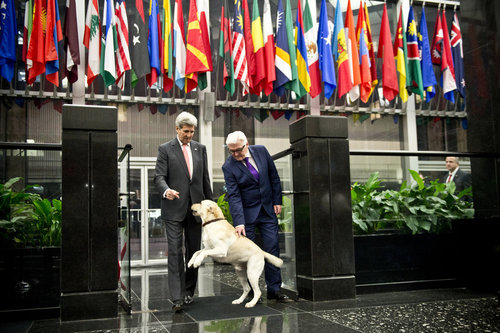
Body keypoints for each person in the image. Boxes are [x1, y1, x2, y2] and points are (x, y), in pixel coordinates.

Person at [222, 131, 291, 303]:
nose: (236, 154)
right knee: (248, 255)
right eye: (232, 151)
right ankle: (253, 292)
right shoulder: (228, 166)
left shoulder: (261, 151)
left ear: (247, 143)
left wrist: (277, 200)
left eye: (239, 150)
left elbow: (273, 176)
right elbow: (234, 195)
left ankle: (274, 290)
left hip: (268, 210)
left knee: (272, 248)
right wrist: (239, 222)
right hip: (247, 217)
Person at [154, 111, 213, 312]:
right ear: (177, 129)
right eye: (186, 131)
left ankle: (188, 292)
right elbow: (159, 177)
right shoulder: (165, 149)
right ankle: (177, 297)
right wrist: (166, 190)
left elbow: (205, 179)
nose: (189, 135)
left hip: (196, 209)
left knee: (194, 251)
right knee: (175, 251)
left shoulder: (200, 148)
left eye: (192, 131)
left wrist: (210, 206)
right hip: (173, 208)